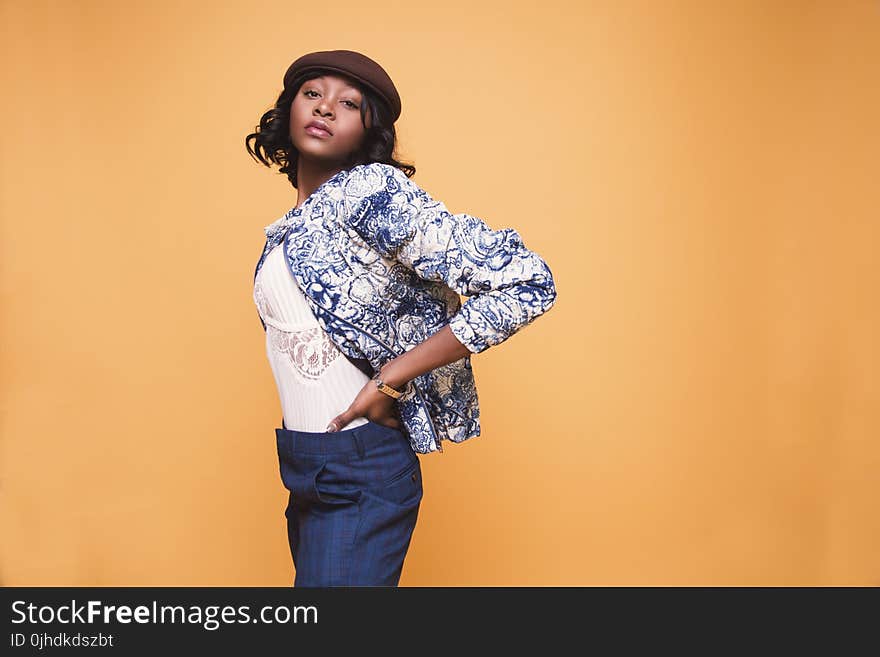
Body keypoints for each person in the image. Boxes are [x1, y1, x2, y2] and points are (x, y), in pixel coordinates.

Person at [244, 49, 557, 586]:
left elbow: (527, 281)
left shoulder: (372, 194)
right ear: (288, 108)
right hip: (307, 466)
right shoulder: (294, 226)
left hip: (358, 466)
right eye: (312, 94)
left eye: (349, 104)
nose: (324, 109)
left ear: (370, 130)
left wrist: (392, 378)